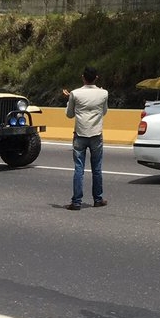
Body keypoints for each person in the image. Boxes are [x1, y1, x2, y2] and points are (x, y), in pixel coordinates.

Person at [63, 66, 108, 210]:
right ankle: (98, 199)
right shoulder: (103, 93)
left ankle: (76, 202)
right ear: (96, 78)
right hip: (96, 134)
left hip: (80, 134)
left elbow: (69, 114)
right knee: (97, 169)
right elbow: (104, 112)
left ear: (83, 77)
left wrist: (69, 100)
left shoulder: (75, 94)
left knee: (78, 169)